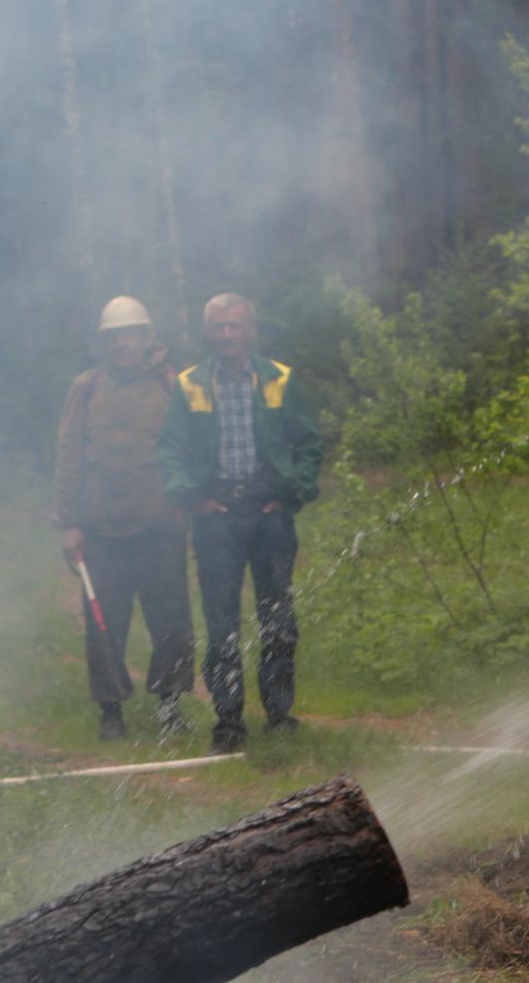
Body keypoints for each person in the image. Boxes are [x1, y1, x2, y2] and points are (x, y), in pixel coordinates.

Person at [157, 294, 324, 754]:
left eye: (235, 327)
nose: (227, 336)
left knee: (278, 619)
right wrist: (194, 497)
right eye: (219, 328)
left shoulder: (280, 378)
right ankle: (228, 722)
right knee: (222, 622)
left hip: (269, 515)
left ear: (251, 329)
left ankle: (280, 716)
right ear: (207, 333)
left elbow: (310, 444)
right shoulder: (190, 384)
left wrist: (292, 492)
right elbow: (169, 450)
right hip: (217, 518)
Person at [56, 296, 196, 741]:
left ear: (147, 338)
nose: (123, 344)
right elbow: (68, 457)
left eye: (130, 334)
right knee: (103, 626)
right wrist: (68, 522)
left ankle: (170, 706)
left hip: (161, 525)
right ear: (104, 342)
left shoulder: (171, 387)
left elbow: (192, 451)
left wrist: (194, 507)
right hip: (101, 531)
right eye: (114, 337)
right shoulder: (86, 388)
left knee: (171, 623)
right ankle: (110, 710)